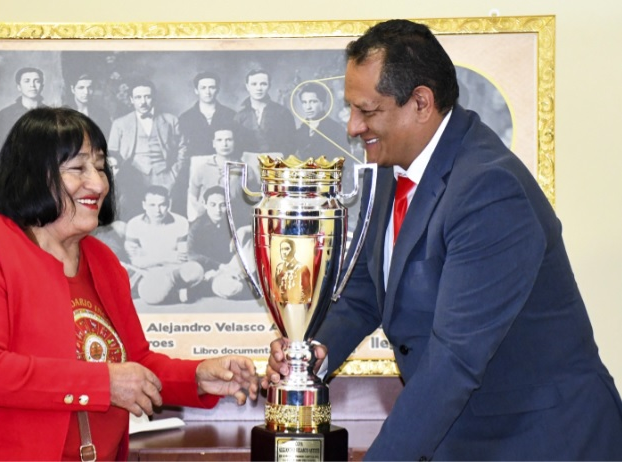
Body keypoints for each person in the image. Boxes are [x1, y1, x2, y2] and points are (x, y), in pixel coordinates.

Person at [263, 19, 622, 461]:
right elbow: (365, 292)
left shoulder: (489, 190)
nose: (353, 127)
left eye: (368, 111)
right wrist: (313, 354)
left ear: (420, 102)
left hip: (542, 440)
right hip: (468, 437)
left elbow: (453, 361)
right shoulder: (389, 168)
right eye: (351, 109)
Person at [0, 107, 259, 461]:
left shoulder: (102, 260)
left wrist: (198, 378)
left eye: (101, 165)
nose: (99, 182)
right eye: (78, 168)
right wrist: (101, 384)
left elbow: (134, 363)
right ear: (33, 174)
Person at [107, 78, 188, 220]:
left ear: (153, 98)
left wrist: (174, 173)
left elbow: (183, 148)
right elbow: (112, 153)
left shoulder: (171, 120)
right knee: (132, 214)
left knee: (165, 215)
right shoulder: (120, 124)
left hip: (165, 176)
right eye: (138, 97)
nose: (143, 102)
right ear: (131, 99)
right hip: (132, 177)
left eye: (147, 97)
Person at [124, 185, 204, 305]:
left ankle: (167, 288)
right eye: (152, 205)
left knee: (196, 270)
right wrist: (167, 256)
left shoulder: (181, 222)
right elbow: (135, 261)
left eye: (162, 205)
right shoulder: (134, 224)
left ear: (169, 204)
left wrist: (149, 257)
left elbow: (182, 258)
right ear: (144, 205)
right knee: (149, 295)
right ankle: (177, 294)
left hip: (171, 270)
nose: (157, 210)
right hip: (146, 272)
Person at [176, 72, 238, 216]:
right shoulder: (186, 117)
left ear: (218, 89)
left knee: (225, 204)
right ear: (196, 90)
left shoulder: (230, 115)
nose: (208, 92)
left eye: (212, 87)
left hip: (223, 162)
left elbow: (236, 143)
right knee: (194, 206)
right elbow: (181, 147)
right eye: (203, 88)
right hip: (195, 165)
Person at [234, 69, 296, 188]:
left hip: (276, 165)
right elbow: (236, 145)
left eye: (263, 84)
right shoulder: (240, 116)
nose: (259, 88)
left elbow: (291, 144)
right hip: (247, 164)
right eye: (254, 84)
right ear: (247, 86)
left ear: (269, 86)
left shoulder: (282, 113)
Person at [187, 186, 251, 300]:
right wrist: (219, 266)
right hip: (215, 272)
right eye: (213, 205)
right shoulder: (197, 226)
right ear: (204, 204)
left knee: (253, 240)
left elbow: (263, 226)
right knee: (232, 288)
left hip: (235, 266)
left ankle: (246, 280)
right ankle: (240, 284)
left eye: (222, 205)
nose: (218, 210)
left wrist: (243, 230)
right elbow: (191, 254)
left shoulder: (234, 219)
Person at [186, 127, 239, 221]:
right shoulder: (203, 169)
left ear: (234, 142)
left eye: (229, 140)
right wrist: (201, 210)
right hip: (207, 220)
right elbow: (192, 195)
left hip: (233, 220)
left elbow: (253, 199)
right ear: (214, 144)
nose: (224, 144)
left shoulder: (244, 169)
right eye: (219, 140)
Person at [294, 82, 351, 159]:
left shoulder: (336, 130)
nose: (308, 107)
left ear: (323, 103)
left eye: (313, 102)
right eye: (304, 102)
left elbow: (346, 161)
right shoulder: (300, 132)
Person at [0, 66, 47, 146]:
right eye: (27, 81)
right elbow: (0, 146)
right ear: (19, 87)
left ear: (42, 87)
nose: (32, 85)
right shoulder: (5, 114)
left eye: (37, 81)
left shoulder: (51, 114)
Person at [67, 72, 112, 137]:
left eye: (89, 87)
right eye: (81, 88)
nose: (86, 92)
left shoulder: (102, 113)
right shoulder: (64, 113)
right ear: (73, 89)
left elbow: (106, 138)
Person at [273, 238, 312, 304]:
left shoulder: (302, 268)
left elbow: (306, 294)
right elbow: (276, 290)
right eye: (281, 249)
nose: (283, 252)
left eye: (287, 249)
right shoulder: (279, 268)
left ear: (293, 250)